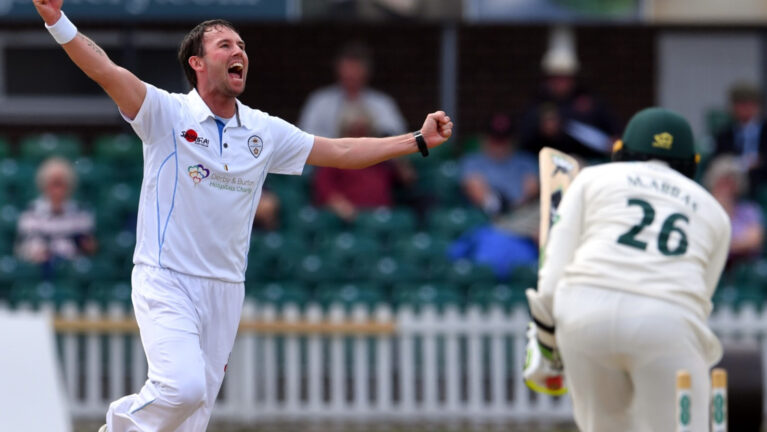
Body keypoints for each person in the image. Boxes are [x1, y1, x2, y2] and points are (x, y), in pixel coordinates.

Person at [32, 2, 453, 431]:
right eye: (224, 45)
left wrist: (416, 140)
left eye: (242, 45)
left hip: (226, 288)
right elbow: (104, 70)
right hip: (167, 278)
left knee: (192, 418)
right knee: (182, 389)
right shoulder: (166, 113)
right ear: (197, 63)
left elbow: (341, 150)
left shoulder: (262, 130)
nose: (239, 51)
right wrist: (55, 20)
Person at [524, 108, 731, 431]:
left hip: (584, 311)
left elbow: (552, 279)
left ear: (621, 150)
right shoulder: (714, 211)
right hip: (668, 319)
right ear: (692, 162)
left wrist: (546, 340)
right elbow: (701, 299)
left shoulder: (591, 179)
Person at [312, 104, 416, 222]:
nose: (359, 136)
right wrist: (340, 206)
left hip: (383, 216)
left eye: (364, 131)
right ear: (345, 131)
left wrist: (397, 155)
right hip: (352, 218)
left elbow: (408, 178)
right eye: (354, 131)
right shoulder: (334, 156)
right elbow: (324, 187)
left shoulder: (378, 155)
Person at [518, 44, 618, 159]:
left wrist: (612, 141)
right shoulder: (536, 104)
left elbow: (613, 130)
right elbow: (523, 141)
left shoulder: (589, 101)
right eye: (556, 78)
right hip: (548, 162)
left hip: (588, 161)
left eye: (566, 78)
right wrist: (542, 132)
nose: (561, 83)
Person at [298, 41, 407, 138]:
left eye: (356, 69)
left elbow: (396, 134)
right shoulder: (320, 101)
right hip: (329, 153)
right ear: (338, 69)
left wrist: (371, 131)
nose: (351, 74)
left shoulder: (382, 103)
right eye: (347, 69)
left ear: (366, 71)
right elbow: (305, 136)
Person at [15, 157, 97, 268]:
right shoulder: (30, 212)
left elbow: (88, 246)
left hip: (73, 268)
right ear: (44, 185)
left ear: (69, 185)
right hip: (41, 268)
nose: (57, 190)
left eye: (61, 184)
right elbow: (25, 247)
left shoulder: (81, 211)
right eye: (54, 184)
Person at [704, 155, 764, 266]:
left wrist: (723, 247)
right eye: (722, 182)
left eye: (731, 182)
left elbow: (754, 240)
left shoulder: (749, 210)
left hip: (742, 266)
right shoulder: (703, 208)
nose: (727, 188)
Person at [714, 81, 767, 197]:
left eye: (749, 104)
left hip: (758, 177)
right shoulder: (725, 134)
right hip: (731, 175)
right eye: (741, 104)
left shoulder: (764, 131)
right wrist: (740, 163)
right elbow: (717, 159)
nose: (745, 109)